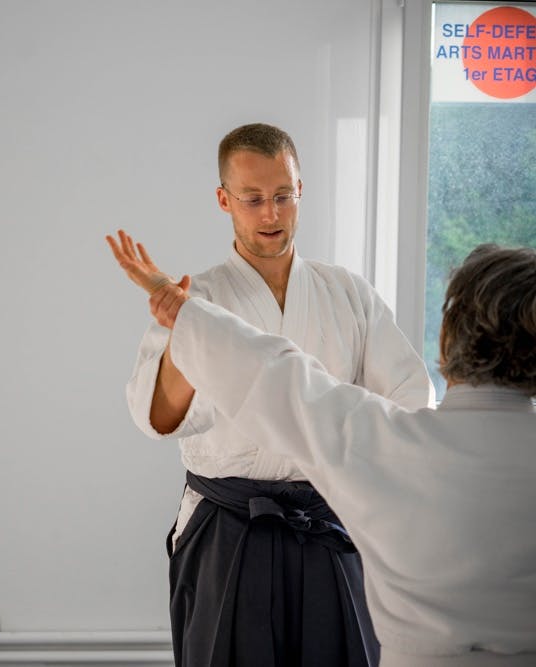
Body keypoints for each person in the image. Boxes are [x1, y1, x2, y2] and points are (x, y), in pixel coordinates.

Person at [109, 237, 536, 667]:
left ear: (446, 340)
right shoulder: (392, 441)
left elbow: (279, 378)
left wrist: (184, 313)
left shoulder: (387, 444)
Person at [109, 123, 434, 667]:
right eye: (253, 199)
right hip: (227, 523)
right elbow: (158, 418)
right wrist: (186, 324)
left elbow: (409, 401)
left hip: (330, 518)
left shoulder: (347, 293)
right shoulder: (200, 295)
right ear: (224, 200)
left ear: (300, 189)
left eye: (283, 196)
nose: (271, 214)